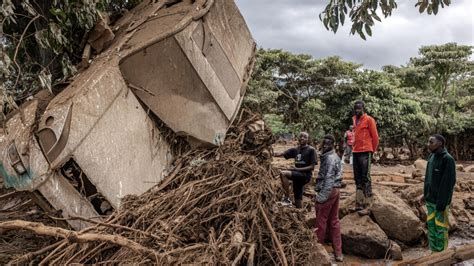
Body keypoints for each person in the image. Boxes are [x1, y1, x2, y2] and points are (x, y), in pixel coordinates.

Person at [424, 134, 456, 252]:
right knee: (431, 227)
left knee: (441, 228)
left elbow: (448, 184)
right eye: (428, 142)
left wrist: (441, 204)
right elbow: (428, 178)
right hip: (430, 201)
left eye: (431, 142)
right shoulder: (431, 157)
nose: (428, 144)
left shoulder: (448, 159)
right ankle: (434, 252)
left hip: (440, 203)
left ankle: (443, 255)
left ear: (440, 144)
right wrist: (425, 194)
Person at [315, 134, 343, 262]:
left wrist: (321, 197)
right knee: (334, 221)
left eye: (328, 144)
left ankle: (318, 252)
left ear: (333, 145)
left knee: (321, 221)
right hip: (336, 190)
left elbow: (329, 178)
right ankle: (338, 253)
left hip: (329, 190)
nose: (325, 146)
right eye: (324, 144)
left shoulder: (330, 158)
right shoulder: (335, 156)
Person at [274, 132, 317, 208]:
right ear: (298, 138)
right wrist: (270, 153)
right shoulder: (296, 149)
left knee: (283, 174)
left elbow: (312, 167)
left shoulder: (311, 150)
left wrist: (297, 169)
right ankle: (300, 214)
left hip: (305, 175)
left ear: (308, 139)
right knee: (298, 200)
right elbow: (281, 154)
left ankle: (286, 197)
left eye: (305, 137)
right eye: (301, 136)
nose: (302, 138)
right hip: (297, 176)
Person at [352, 100, 379, 214]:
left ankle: (368, 205)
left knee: (365, 177)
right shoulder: (354, 119)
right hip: (355, 151)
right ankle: (359, 203)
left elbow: (375, 137)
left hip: (366, 151)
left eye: (359, 108)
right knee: (357, 178)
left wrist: (372, 151)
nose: (357, 110)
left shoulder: (369, 119)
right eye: (356, 108)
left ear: (363, 108)